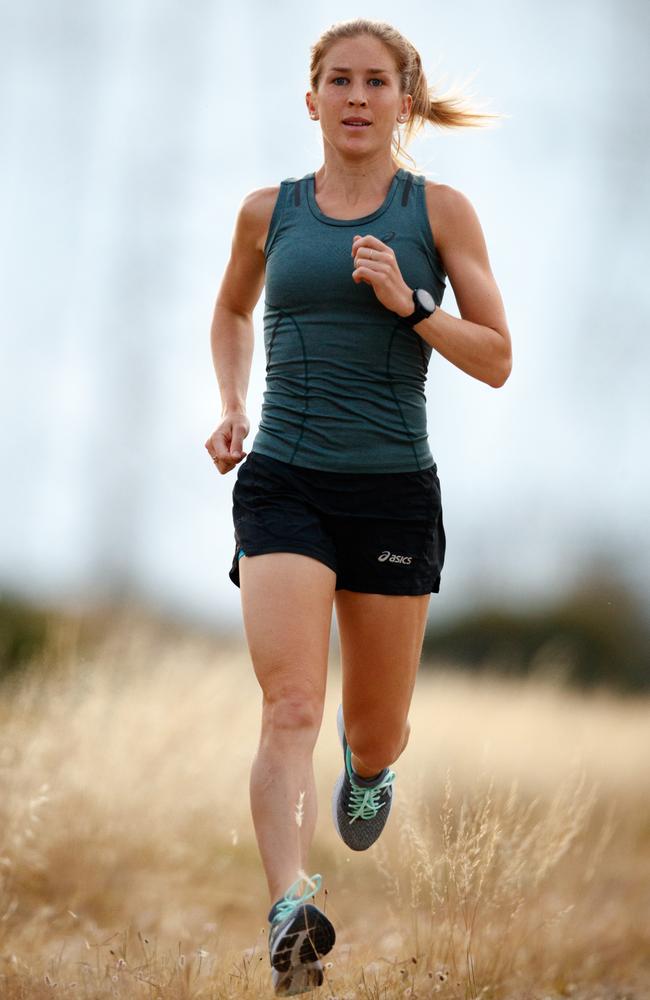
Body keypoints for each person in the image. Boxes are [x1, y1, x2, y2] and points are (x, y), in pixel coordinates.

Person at [204, 17, 512, 997]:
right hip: (283, 480)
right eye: (335, 80)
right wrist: (229, 407)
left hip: (389, 492)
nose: (353, 96)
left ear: (404, 102)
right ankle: (292, 909)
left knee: (371, 728)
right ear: (311, 100)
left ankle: (369, 767)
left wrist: (412, 307)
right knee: (289, 705)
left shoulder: (441, 213)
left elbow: (496, 358)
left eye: (374, 82)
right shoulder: (268, 210)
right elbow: (229, 309)